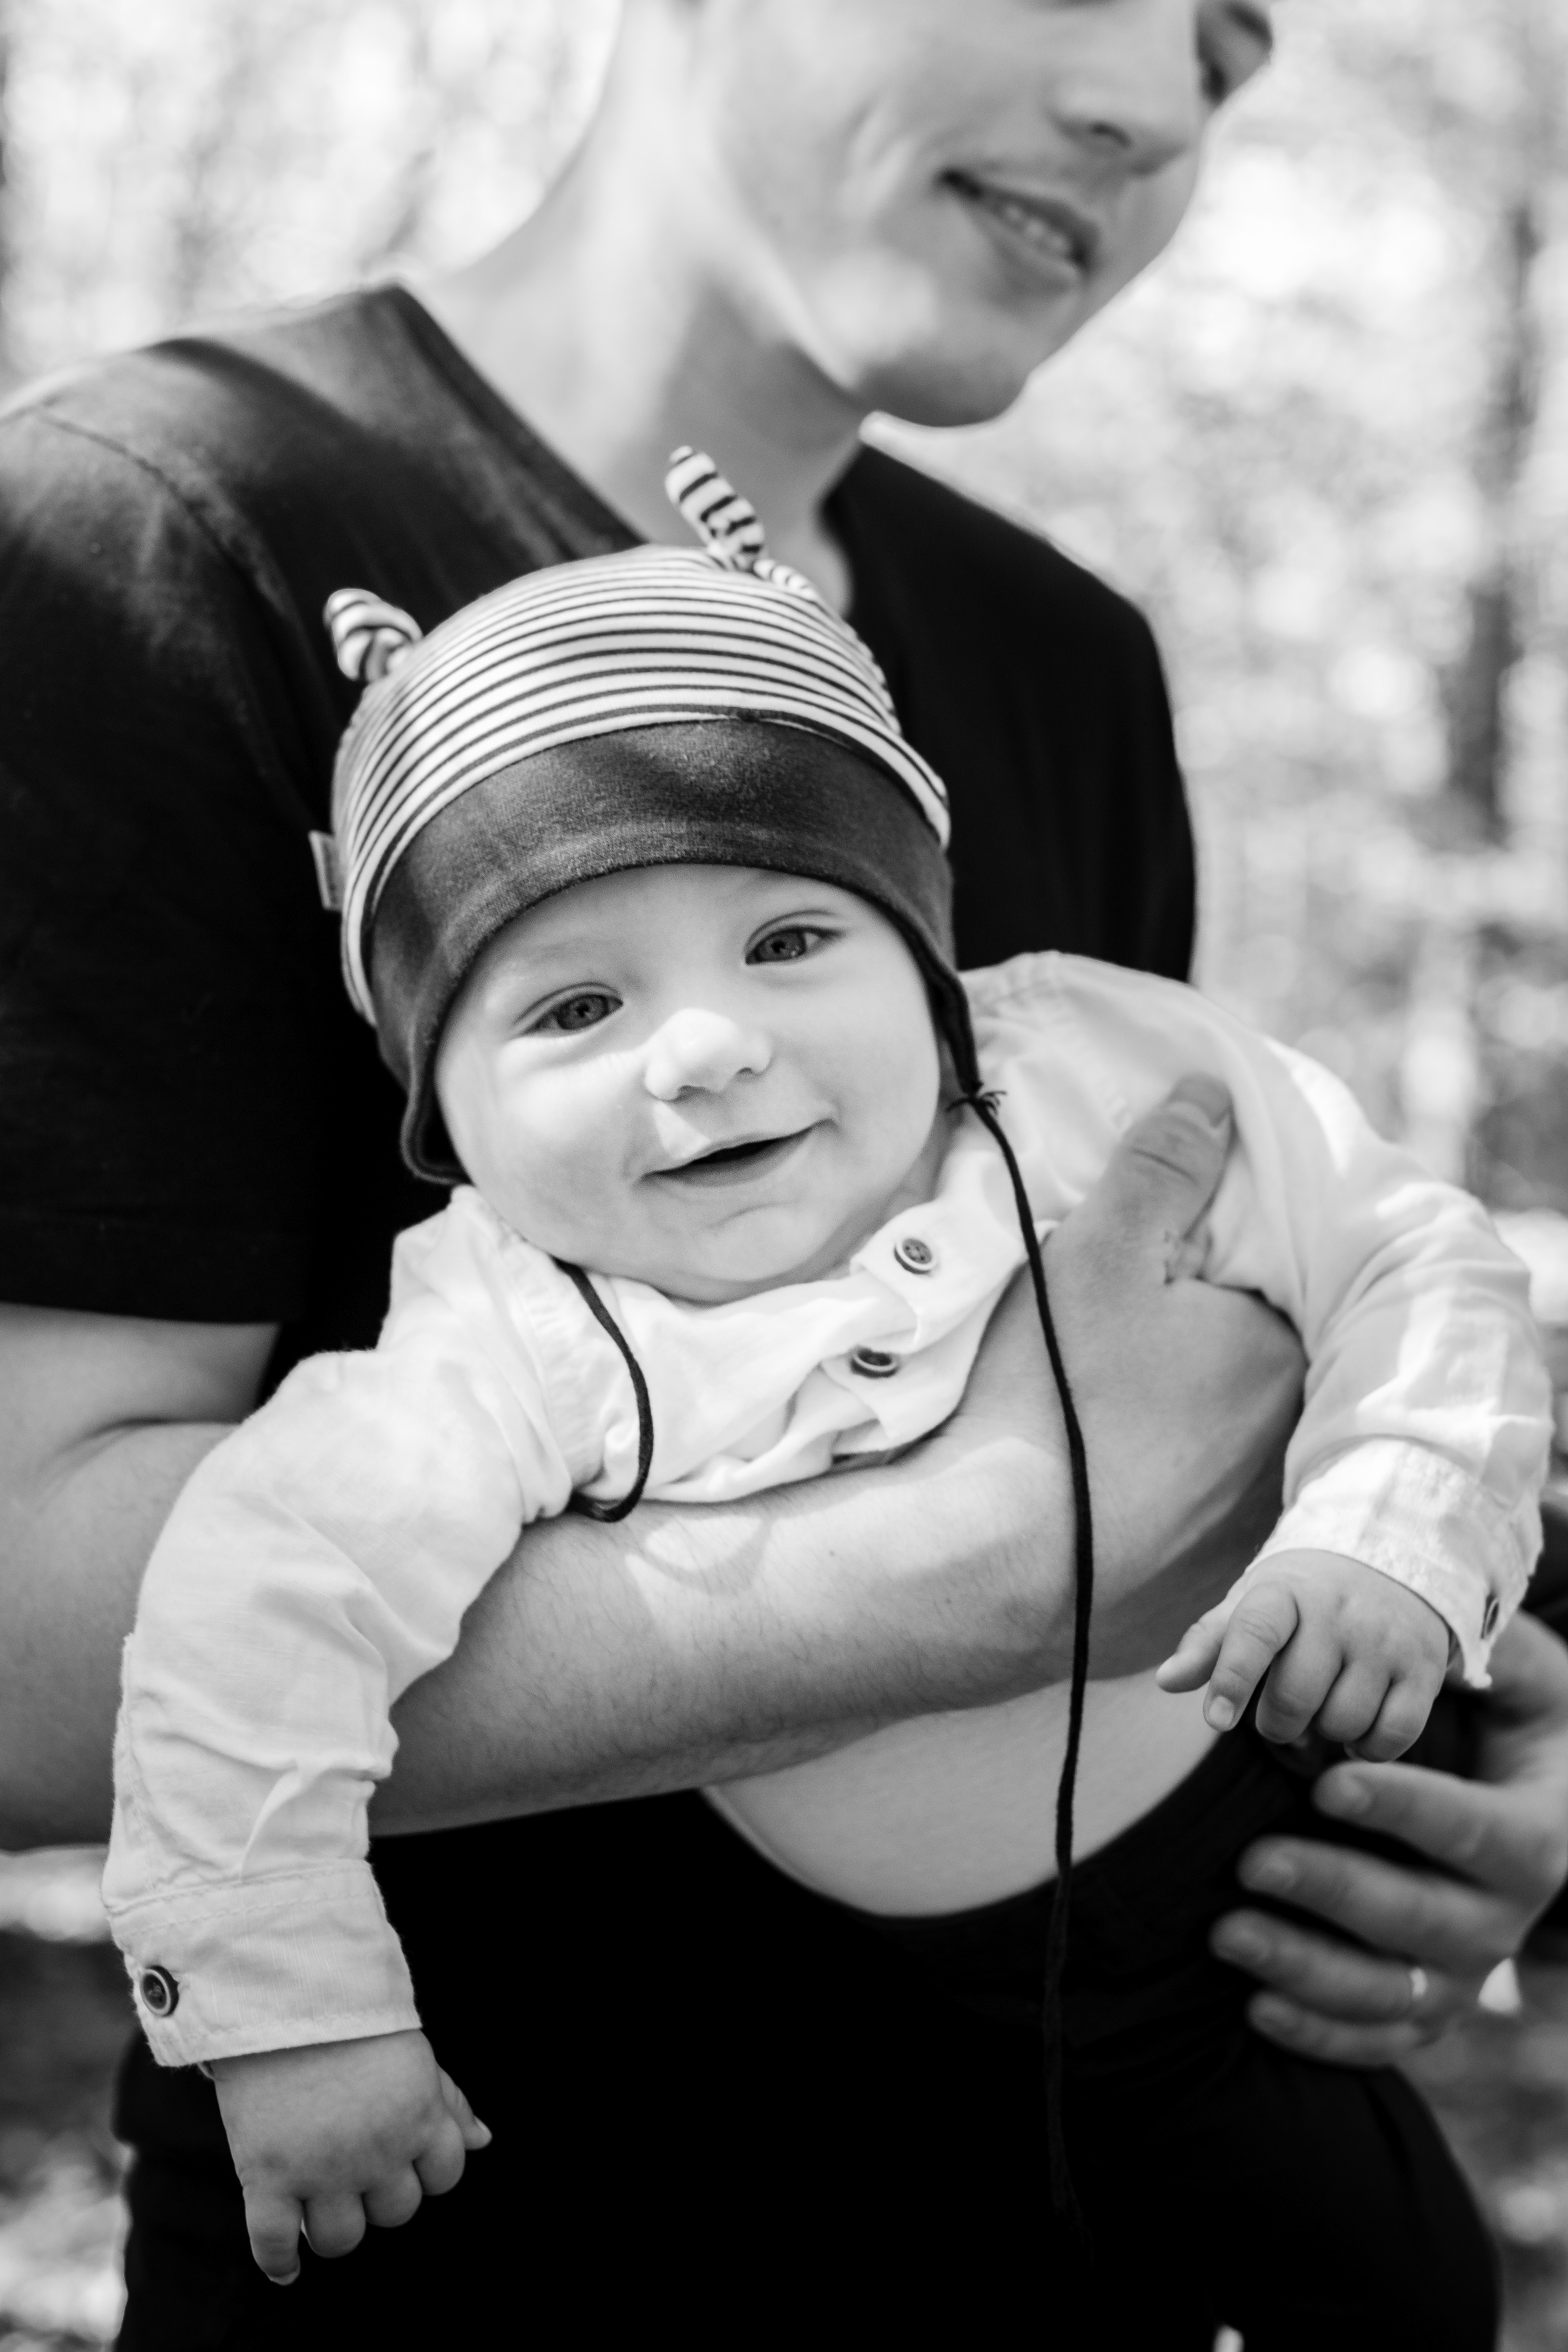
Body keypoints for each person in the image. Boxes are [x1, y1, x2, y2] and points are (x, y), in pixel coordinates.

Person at [0, 0, 1563, 2340]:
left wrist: (1457, 1681)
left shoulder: (1060, 658)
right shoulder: (138, 536)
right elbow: (19, 1649)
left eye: (1233, 49)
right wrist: (983, 1564)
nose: (1157, 105)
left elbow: (1228, 1310)